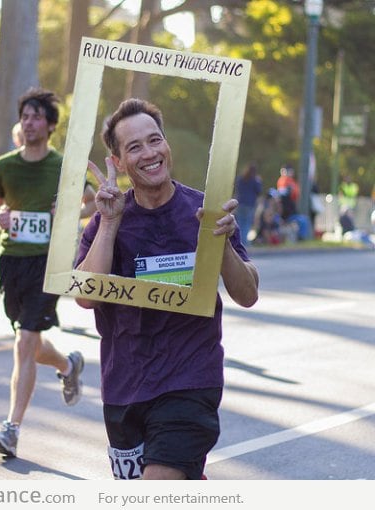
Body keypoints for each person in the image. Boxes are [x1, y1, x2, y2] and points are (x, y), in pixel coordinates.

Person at [75, 98, 259, 480]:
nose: (149, 153)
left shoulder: (207, 213)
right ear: (119, 161)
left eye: (155, 139)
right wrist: (108, 224)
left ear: (167, 144)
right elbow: (86, 296)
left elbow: (248, 294)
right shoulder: (106, 219)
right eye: (134, 147)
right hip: (124, 387)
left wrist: (221, 242)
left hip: (190, 381)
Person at [0, 87, 85, 458]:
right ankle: (68, 363)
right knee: (30, 340)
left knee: (25, 341)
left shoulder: (62, 166)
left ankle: (11, 429)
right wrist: (0, 219)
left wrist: (69, 208)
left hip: (47, 262)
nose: (29, 122)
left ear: (50, 124)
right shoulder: (5, 165)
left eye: (36, 116)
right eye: (25, 116)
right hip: (11, 262)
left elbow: (90, 200)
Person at [234, 163, 262, 245]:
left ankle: (238, 241)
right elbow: (259, 191)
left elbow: (237, 189)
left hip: (240, 203)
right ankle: (244, 242)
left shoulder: (240, 179)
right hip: (249, 204)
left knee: (239, 223)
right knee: (247, 223)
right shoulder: (255, 180)